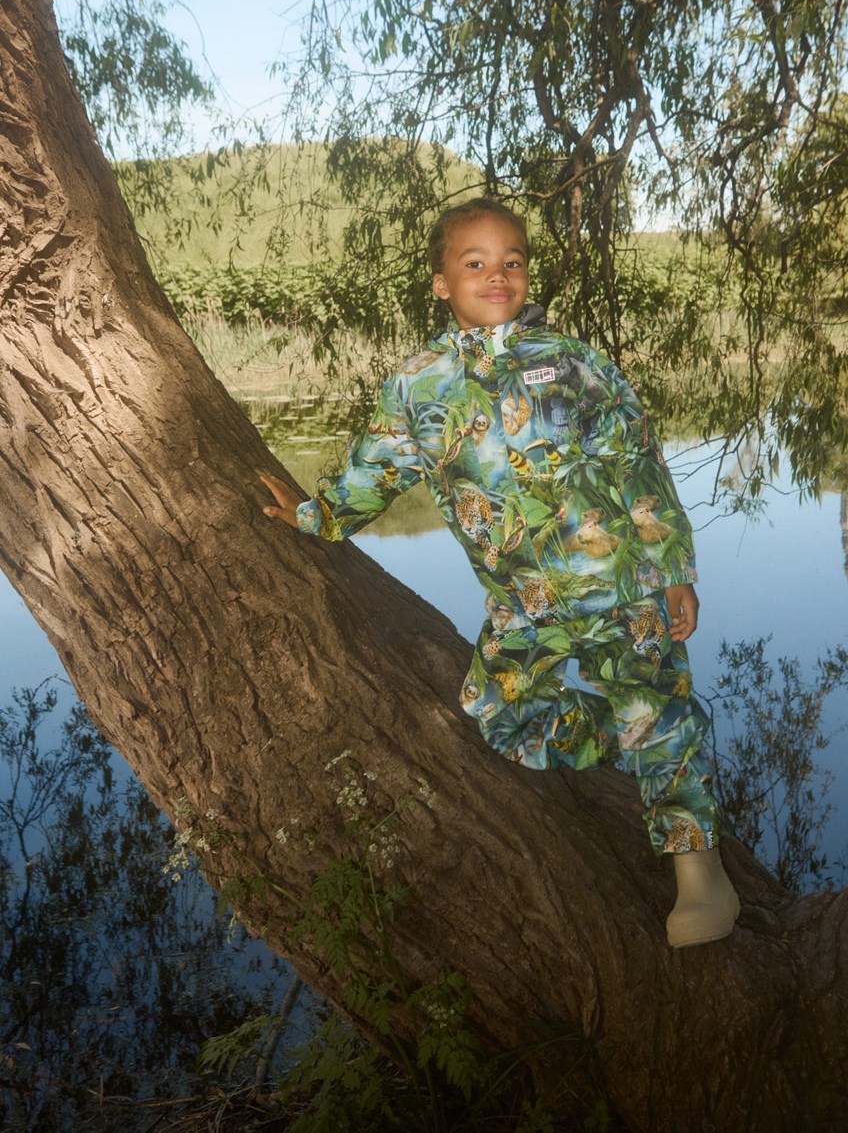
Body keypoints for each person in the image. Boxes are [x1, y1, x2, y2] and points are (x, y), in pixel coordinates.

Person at [261, 198, 739, 947]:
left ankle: (700, 873)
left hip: (623, 587)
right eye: (475, 262)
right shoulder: (418, 386)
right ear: (440, 282)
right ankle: (632, 737)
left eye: (511, 261)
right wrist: (314, 517)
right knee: (497, 714)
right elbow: (375, 472)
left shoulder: (576, 363)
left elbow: (639, 463)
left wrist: (673, 566)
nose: (497, 275)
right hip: (523, 603)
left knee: (657, 701)